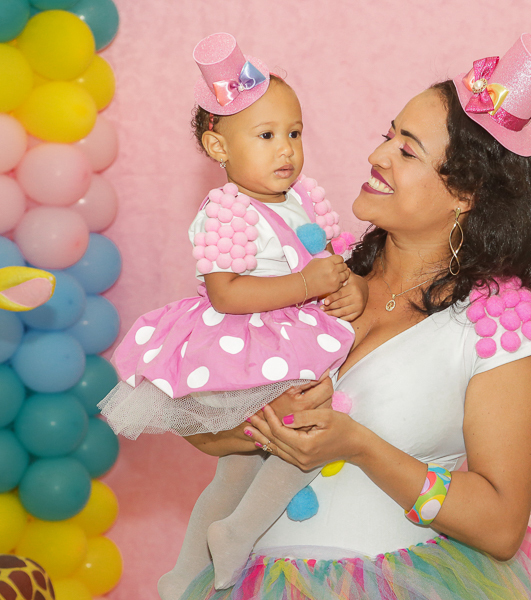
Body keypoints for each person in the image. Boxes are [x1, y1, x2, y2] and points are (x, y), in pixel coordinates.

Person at [181, 33, 531, 599]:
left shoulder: (498, 329)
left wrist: (358, 445)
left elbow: (502, 526)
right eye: (388, 135)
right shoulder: (312, 278)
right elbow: (201, 431)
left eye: (407, 150)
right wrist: (262, 419)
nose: (377, 155)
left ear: (466, 193)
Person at [96, 33, 366, 597]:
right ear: (219, 149)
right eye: (266, 136)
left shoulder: (306, 197)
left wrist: (348, 288)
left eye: (294, 133)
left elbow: (334, 260)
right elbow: (225, 293)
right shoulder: (226, 211)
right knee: (299, 436)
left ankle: (205, 555)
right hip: (248, 343)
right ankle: (218, 546)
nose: (286, 149)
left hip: (294, 333)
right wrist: (303, 284)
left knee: (261, 456)